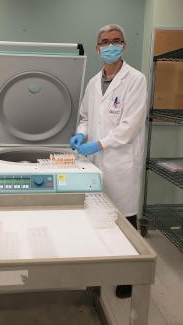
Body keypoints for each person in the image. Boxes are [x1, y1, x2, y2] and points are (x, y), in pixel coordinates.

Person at [70, 24, 147, 299]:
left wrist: (99, 143)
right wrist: (80, 135)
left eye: (116, 41)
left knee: (125, 219)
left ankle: (127, 276)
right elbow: (86, 118)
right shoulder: (93, 83)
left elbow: (129, 126)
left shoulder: (135, 80)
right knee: (98, 216)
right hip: (96, 163)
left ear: (124, 45)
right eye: (104, 42)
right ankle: (101, 266)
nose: (110, 45)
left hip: (120, 162)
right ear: (97, 47)